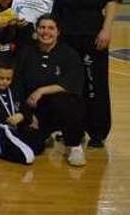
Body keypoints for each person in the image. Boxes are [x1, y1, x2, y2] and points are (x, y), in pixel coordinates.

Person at [52, 0, 126, 147]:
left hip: (92, 31)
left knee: (95, 83)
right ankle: (72, 128)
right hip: (66, 33)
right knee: (70, 83)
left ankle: (97, 131)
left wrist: (106, 29)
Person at [15, 15, 87, 166]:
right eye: (42, 27)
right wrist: (27, 114)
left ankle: (74, 146)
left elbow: (71, 84)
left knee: (68, 101)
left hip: (59, 108)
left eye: (51, 28)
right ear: (36, 30)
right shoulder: (26, 52)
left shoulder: (69, 54)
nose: (46, 32)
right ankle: (44, 134)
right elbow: (17, 84)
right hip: (34, 109)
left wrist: (42, 90)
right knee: (32, 147)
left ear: (58, 32)